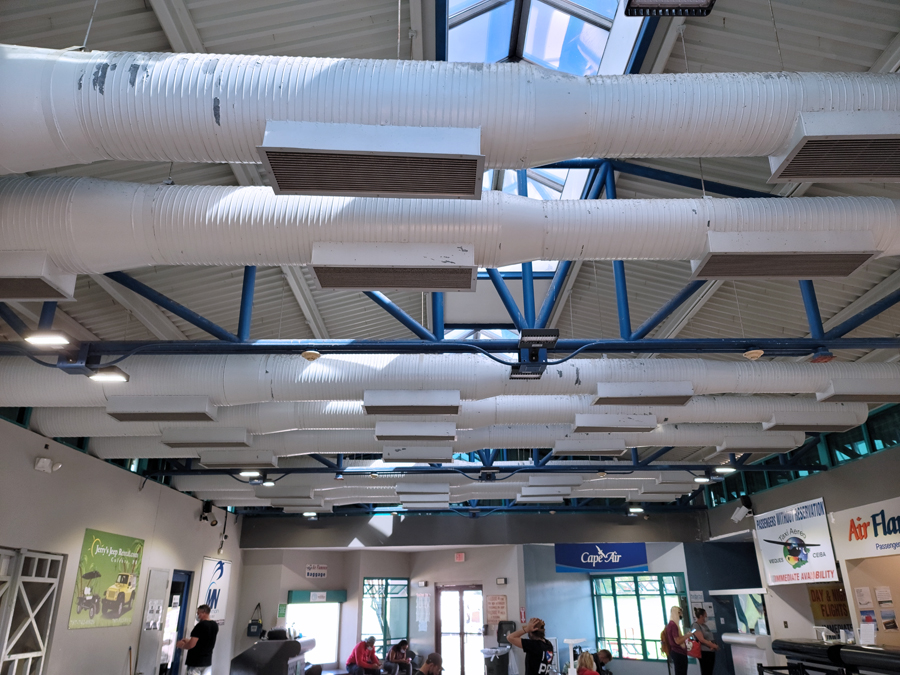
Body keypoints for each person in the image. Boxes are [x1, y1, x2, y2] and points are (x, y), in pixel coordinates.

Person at [176, 604, 218, 675]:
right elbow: (204, 641)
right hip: (207, 662)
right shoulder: (214, 625)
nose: (198, 616)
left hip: (196, 662)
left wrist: (181, 645)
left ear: (203, 612)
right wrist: (188, 640)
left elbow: (191, 645)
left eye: (198, 613)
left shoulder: (200, 626)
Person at [691, 608, 719, 675]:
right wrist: (712, 645)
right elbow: (701, 639)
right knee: (706, 671)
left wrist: (714, 645)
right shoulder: (695, 625)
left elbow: (710, 637)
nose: (706, 617)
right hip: (704, 652)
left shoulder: (704, 625)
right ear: (701, 616)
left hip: (710, 651)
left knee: (710, 671)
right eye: (705, 616)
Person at [665, 606, 691, 675]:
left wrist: (685, 636)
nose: (681, 615)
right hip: (678, 652)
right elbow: (677, 641)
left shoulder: (671, 624)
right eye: (679, 613)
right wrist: (687, 636)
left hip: (677, 652)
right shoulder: (673, 625)